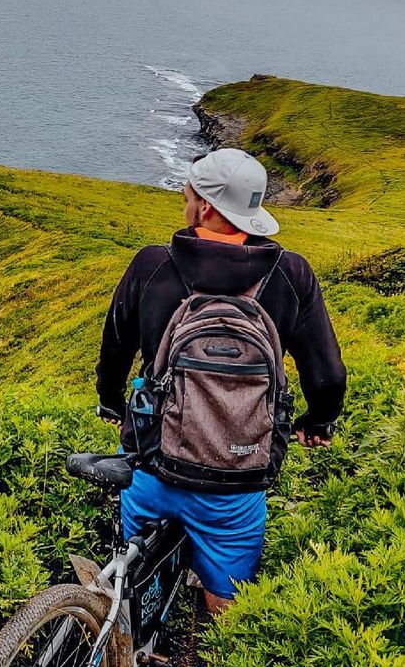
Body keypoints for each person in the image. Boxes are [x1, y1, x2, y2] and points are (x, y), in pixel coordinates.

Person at [95, 147, 346, 614]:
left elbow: (115, 349)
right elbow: (328, 376)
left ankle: (128, 643)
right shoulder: (291, 274)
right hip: (236, 484)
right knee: (229, 603)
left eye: (188, 192)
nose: (185, 199)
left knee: (130, 575)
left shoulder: (152, 265)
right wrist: (319, 422)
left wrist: (110, 402)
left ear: (206, 206)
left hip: (154, 468)